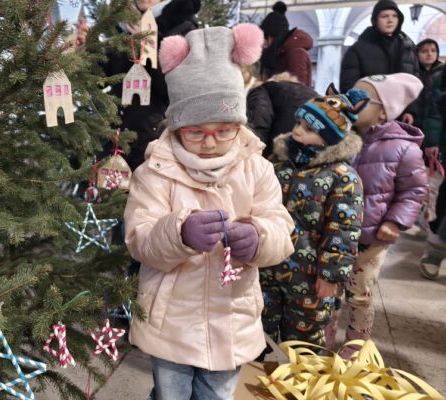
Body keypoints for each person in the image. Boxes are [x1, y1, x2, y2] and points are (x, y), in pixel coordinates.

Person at [124, 24, 295, 399]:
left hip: (231, 315)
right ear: (178, 126)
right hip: (171, 320)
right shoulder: (154, 171)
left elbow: (281, 230)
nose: (210, 143)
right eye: (196, 132)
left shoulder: (257, 168)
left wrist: (259, 237)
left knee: (218, 393)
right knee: (170, 393)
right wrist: (179, 233)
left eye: (223, 130)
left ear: (239, 124)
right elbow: (139, 238)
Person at [260, 87, 368, 351]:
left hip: (309, 276)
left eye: (308, 128)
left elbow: (343, 230)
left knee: (303, 339)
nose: (297, 131)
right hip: (267, 265)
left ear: (329, 138)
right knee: (258, 331)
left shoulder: (343, 177)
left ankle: (299, 387)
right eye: (298, 123)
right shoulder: (278, 163)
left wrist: (331, 275)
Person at [330, 73, 428, 357]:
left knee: (359, 295)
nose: (350, 102)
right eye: (350, 95)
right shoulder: (341, 138)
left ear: (384, 112)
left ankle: (354, 349)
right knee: (329, 293)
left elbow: (414, 191)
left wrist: (394, 221)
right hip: (335, 233)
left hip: (370, 237)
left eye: (361, 99)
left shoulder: (403, 149)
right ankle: (319, 344)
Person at [101, 0, 201, 171]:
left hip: (156, 144)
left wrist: (151, 45)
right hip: (114, 139)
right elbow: (101, 77)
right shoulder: (123, 28)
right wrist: (85, 51)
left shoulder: (183, 27)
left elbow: (179, 89)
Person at [339, 0, 418, 124]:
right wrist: (364, 113)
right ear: (375, 20)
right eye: (384, 16)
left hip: (401, 116)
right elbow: (349, 86)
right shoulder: (358, 50)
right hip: (371, 116)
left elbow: (413, 81)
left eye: (394, 16)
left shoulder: (407, 47)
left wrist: (410, 110)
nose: (390, 20)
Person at [247, 71, 318, 157]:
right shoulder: (307, 91)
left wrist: (256, 154)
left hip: (283, 139)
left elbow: (259, 125)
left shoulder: (262, 90)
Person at [259, 1, 314, 87]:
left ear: (272, 37)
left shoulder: (296, 53)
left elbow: (297, 91)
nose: (264, 44)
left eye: (265, 38)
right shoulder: (280, 53)